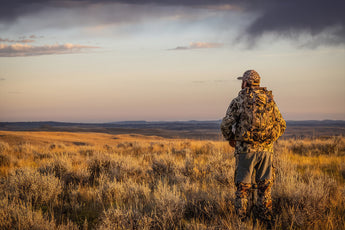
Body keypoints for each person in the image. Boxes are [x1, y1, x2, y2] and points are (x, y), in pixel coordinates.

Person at [220, 70, 286, 225]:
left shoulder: (239, 100)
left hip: (245, 151)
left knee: (243, 188)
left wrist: (231, 139)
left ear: (245, 83)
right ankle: (266, 221)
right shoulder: (269, 100)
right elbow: (282, 124)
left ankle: (241, 223)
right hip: (266, 152)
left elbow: (225, 124)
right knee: (265, 188)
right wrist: (269, 139)